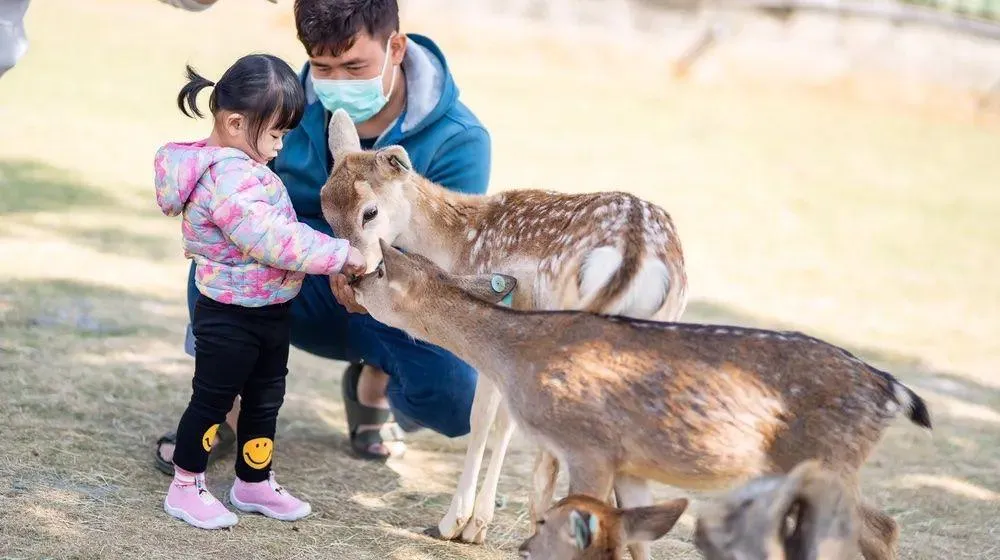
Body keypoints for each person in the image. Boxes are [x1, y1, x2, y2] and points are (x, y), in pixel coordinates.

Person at [154, 0, 491, 470]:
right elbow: (246, 206)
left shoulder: (459, 138)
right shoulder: (284, 110)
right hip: (303, 274)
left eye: (355, 66)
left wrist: (371, 274)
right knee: (223, 259)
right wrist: (329, 258)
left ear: (395, 47)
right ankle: (223, 409)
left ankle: (370, 384)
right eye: (323, 67)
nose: (339, 83)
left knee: (457, 403)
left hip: (401, 291)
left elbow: (448, 253)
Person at [154, 53, 366, 529]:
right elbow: (270, 237)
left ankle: (253, 480)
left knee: (266, 399)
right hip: (229, 314)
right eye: (274, 133)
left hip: (268, 308)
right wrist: (339, 254)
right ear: (233, 122)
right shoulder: (227, 176)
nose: (279, 146)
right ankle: (186, 485)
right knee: (212, 400)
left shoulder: (243, 165)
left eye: (284, 134)